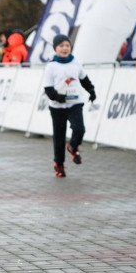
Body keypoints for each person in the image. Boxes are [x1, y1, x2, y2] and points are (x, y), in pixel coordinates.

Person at [42, 34, 96, 177]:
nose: (65, 48)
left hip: (74, 103)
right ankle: (59, 164)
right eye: (61, 46)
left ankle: (73, 146)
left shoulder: (76, 63)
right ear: (55, 49)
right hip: (57, 107)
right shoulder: (51, 66)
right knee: (59, 138)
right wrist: (58, 97)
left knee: (79, 129)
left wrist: (91, 90)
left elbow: (84, 79)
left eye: (67, 45)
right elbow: (48, 89)